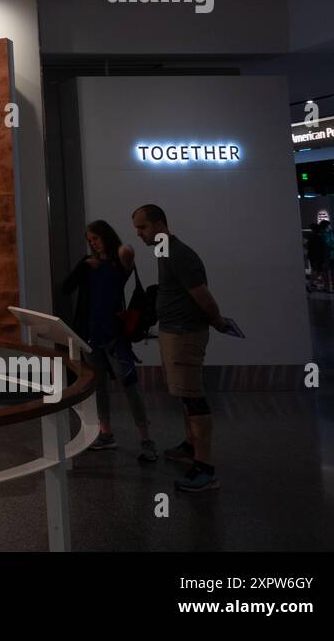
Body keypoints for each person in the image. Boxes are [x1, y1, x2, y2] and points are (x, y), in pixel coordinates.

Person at [131, 204, 224, 492]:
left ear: (159, 224)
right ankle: (190, 446)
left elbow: (203, 297)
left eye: (143, 228)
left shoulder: (176, 253)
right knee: (185, 395)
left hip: (185, 334)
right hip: (174, 332)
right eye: (137, 229)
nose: (139, 235)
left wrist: (218, 320)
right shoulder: (164, 251)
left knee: (193, 398)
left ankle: (205, 468)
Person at [61, 220, 154, 461]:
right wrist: (85, 267)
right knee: (98, 383)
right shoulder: (88, 263)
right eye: (90, 240)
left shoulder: (119, 259)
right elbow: (65, 288)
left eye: (96, 238)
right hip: (90, 333)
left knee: (129, 382)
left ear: (106, 236)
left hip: (114, 332)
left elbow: (127, 253)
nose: (93, 244)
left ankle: (146, 436)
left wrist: (107, 257)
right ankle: (106, 432)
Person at [307, 222, 329, 291]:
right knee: (320, 271)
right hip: (319, 258)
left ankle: (311, 284)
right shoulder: (319, 238)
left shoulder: (311, 238)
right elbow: (322, 249)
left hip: (314, 257)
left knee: (316, 271)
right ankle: (311, 284)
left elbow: (310, 249)